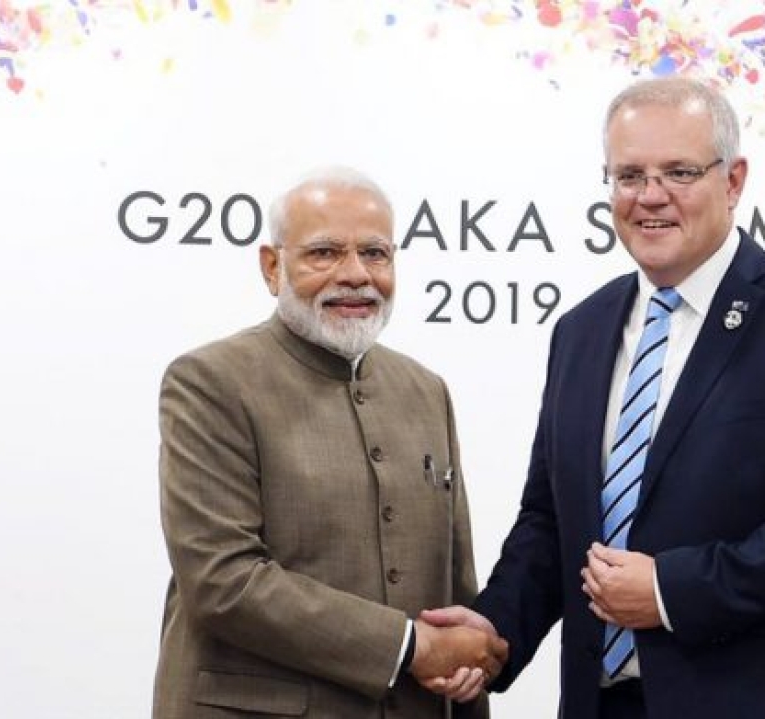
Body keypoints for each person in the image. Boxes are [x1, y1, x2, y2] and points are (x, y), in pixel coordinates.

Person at [423, 77, 765, 718]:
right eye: (629, 176)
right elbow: (551, 521)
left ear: (733, 181)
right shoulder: (581, 330)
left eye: (679, 172)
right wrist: (495, 628)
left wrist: (675, 590)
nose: (650, 197)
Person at [152, 166, 506, 718]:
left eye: (376, 254)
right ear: (273, 266)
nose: (356, 275)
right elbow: (223, 580)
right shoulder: (211, 382)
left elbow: (454, 582)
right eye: (324, 253)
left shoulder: (424, 390)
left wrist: (466, 664)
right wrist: (408, 647)